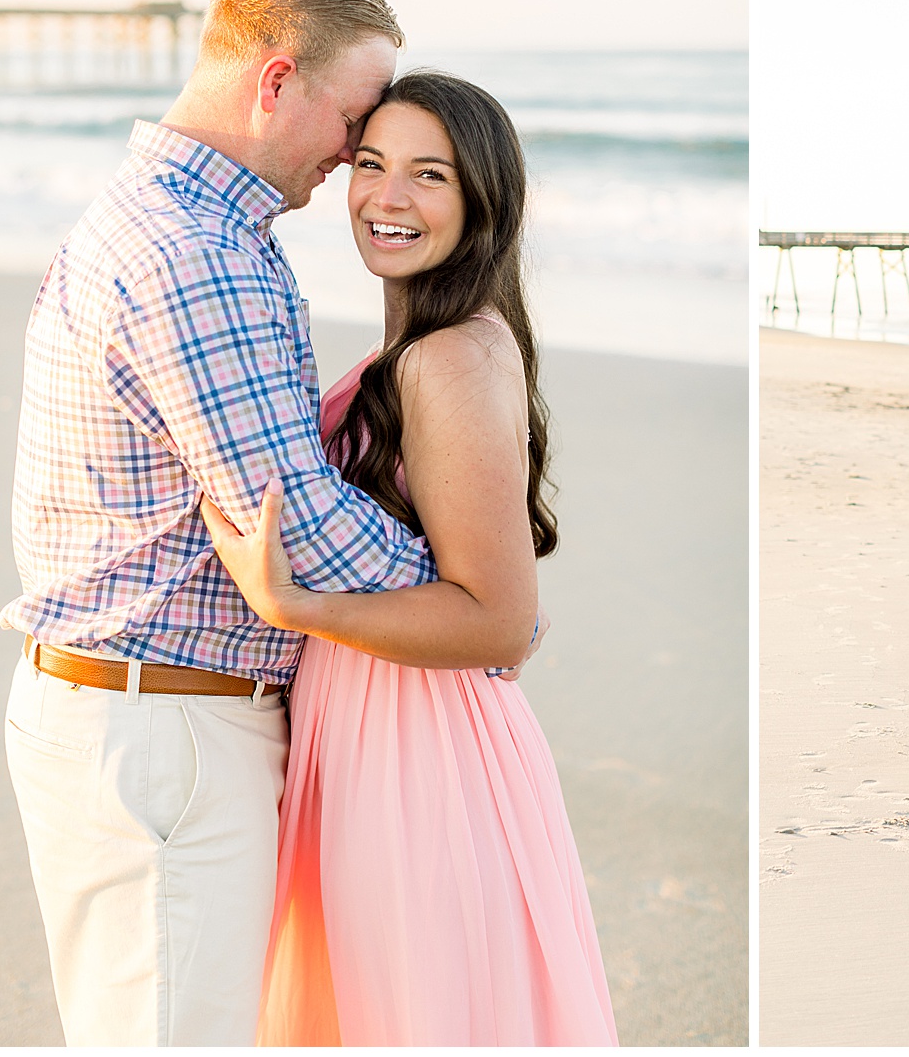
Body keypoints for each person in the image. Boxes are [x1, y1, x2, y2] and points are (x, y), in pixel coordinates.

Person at [0, 0, 531, 1046]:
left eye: (417, 165)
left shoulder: (157, 220)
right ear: (277, 81)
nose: (354, 163)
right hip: (164, 731)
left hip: (142, 716)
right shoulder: (199, 253)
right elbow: (299, 526)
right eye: (356, 127)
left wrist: (480, 607)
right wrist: (478, 608)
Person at [200, 70, 618, 1046]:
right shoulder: (421, 347)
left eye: (428, 175)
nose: (387, 197)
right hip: (377, 723)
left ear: (481, 201)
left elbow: (499, 617)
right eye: (372, 164)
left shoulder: (448, 358)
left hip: (416, 750)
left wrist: (295, 605)